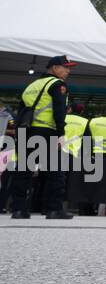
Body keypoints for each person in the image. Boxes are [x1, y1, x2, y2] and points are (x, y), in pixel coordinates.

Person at [9, 54, 77, 220]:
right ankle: (54, 209)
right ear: (54, 68)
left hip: (27, 131)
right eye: (65, 67)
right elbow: (59, 111)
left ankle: (18, 210)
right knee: (56, 171)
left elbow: (21, 111)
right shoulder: (57, 84)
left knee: (23, 170)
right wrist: (61, 133)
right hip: (46, 131)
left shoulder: (32, 85)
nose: (68, 71)